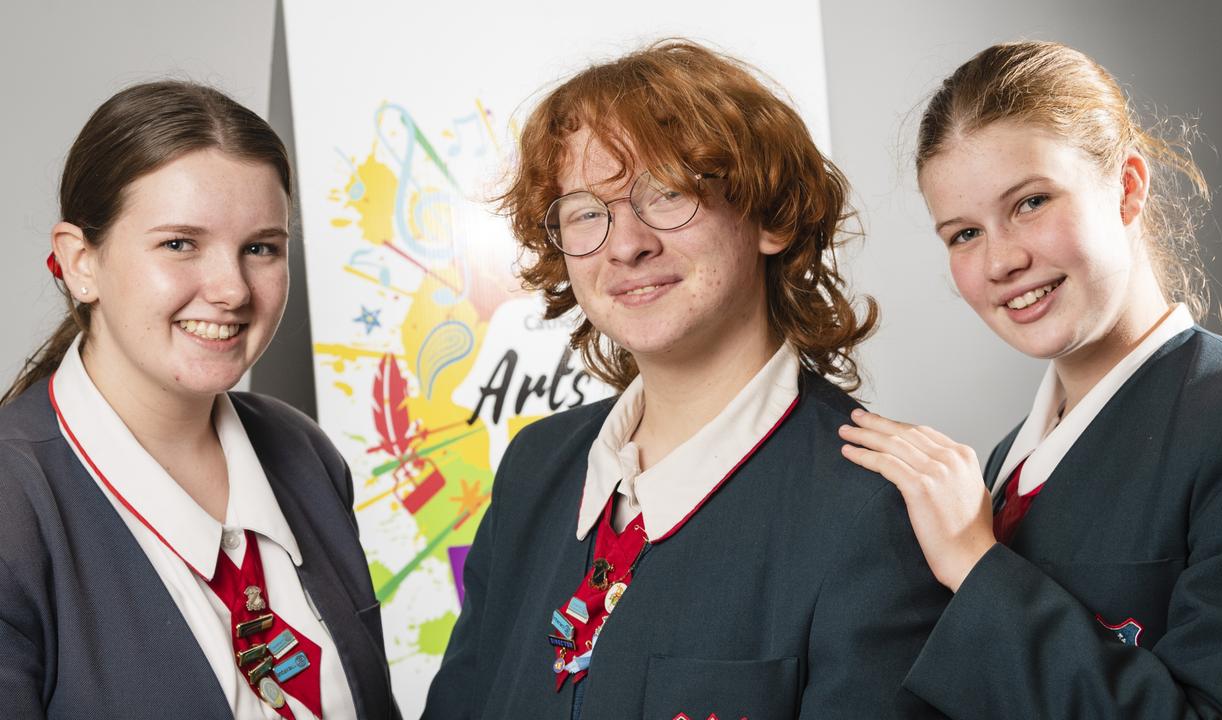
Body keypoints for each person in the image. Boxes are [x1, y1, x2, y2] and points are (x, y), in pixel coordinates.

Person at [423, 40, 950, 719]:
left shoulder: (875, 506)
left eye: (666, 193)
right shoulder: (535, 468)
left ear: (769, 216)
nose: (625, 244)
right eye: (587, 211)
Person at [838, 40, 1222, 718]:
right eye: (962, 235)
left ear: (1128, 187)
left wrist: (974, 565)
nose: (1001, 261)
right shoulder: (1002, 465)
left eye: (1031, 202)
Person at [0, 82, 399, 720]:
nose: (232, 290)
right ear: (80, 262)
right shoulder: (15, 499)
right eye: (180, 243)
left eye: (261, 248)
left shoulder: (305, 454)